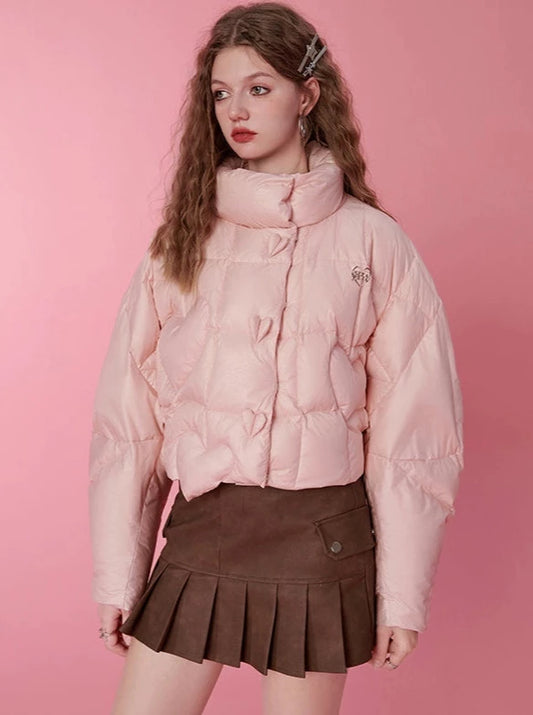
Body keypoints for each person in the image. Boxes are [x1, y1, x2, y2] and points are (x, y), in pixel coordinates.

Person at [88, 2, 464, 713]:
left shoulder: (373, 244)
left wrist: (402, 595)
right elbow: (129, 422)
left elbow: (414, 433)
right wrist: (118, 574)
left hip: (320, 540)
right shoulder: (182, 241)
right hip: (207, 529)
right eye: (221, 92)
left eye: (259, 88)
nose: (236, 110)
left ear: (308, 95)